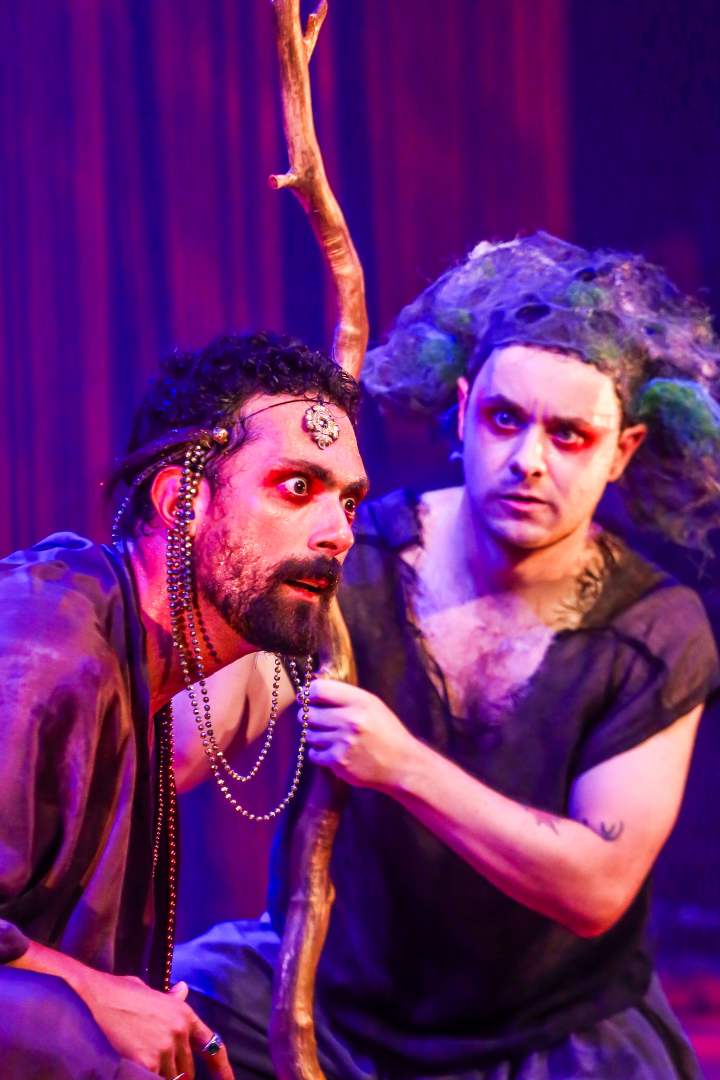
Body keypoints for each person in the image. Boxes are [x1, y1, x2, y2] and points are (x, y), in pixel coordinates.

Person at [174, 235, 720, 1079]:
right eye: (505, 419)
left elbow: (596, 889)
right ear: (463, 412)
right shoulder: (351, 560)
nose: (528, 460)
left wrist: (400, 766)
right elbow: (191, 737)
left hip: (550, 1038)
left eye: (570, 436)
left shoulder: (655, 630)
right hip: (327, 1002)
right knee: (149, 1024)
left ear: (623, 451)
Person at [0, 331, 367, 1080]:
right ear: (183, 501)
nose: (338, 534)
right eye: (298, 488)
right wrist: (87, 998)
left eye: (349, 501)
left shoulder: (141, 670)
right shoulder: (44, 643)